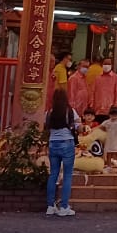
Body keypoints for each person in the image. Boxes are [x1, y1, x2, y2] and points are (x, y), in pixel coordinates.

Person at [45, 88, 80, 216]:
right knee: (67, 175)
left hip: (53, 143)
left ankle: (50, 206)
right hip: (67, 143)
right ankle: (64, 206)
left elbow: (46, 127)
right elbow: (78, 127)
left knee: (53, 174)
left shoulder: (49, 112)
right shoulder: (70, 111)